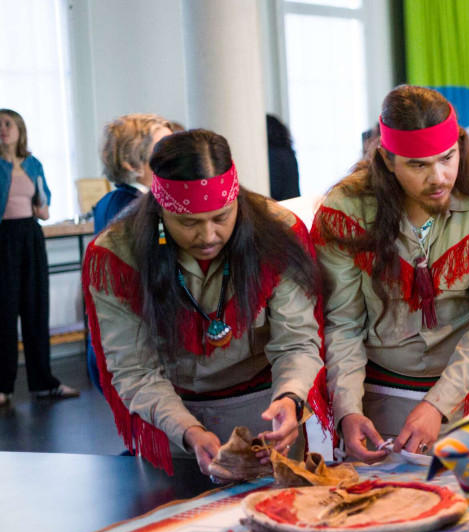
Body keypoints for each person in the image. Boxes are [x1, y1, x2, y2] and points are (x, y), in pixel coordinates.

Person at [83, 129, 329, 477]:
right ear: (161, 211)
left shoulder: (277, 232)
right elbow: (134, 370)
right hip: (171, 423)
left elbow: (298, 341)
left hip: (266, 416)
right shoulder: (117, 255)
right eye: (189, 223)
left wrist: (290, 399)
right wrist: (189, 431)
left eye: (221, 217)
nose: (209, 236)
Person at [313, 85, 469, 464]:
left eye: (448, 158)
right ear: (387, 158)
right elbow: (342, 323)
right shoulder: (346, 211)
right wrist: (348, 409)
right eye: (418, 165)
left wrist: (438, 404)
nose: (438, 177)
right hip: (380, 395)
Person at [89, 113, 178, 392]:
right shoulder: (134, 207)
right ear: (133, 162)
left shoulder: (112, 200)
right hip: (130, 342)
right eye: (163, 148)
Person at [0, 108, 80, 408]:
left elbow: (43, 208)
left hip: (30, 236)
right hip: (3, 237)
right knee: (5, 313)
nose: (3, 129)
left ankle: (43, 383)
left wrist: (42, 204)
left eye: (8, 124)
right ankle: (3, 387)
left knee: (35, 309)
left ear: (20, 129)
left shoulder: (33, 164)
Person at [93, 114, 176, 233]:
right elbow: (160, 246)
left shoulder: (105, 201)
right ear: (132, 164)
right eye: (164, 151)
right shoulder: (143, 208)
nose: (174, 158)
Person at [266, 114, 301, 201]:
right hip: (294, 203)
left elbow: (275, 188)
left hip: (281, 206)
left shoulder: (273, 155)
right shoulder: (289, 153)